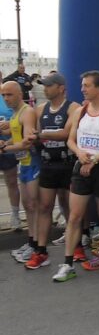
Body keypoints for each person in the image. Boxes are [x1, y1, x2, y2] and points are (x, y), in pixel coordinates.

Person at [53, 71, 99, 282]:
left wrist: (95, 160)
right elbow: (71, 140)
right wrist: (80, 153)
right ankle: (67, 263)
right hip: (81, 166)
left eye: (87, 85)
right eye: (82, 85)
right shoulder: (80, 111)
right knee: (75, 216)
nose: (83, 88)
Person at [25, 73, 78, 269]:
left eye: (49, 85)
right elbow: (33, 135)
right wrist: (33, 135)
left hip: (67, 164)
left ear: (61, 88)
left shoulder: (73, 108)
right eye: (44, 86)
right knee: (44, 207)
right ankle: (41, 251)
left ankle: (77, 246)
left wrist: (41, 134)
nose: (45, 89)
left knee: (69, 208)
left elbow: (67, 133)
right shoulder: (40, 109)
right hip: (48, 164)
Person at [1, 81, 40, 263]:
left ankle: (39, 247)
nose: (6, 99)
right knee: (28, 207)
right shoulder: (16, 114)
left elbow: (27, 142)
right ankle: (31, 242)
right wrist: (5, 143)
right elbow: (16, 138)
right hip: (23, 164)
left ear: (19, 94)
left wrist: (4, 149)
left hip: (33, 164)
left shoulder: (27, 112)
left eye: (9, 95)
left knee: (35, 206)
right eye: (3, 95)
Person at [0, 86, 21, 231]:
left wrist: (9, 124)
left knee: (12, 182)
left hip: (8, 147)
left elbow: (19, 121)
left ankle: (15, 215)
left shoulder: (8, 96)